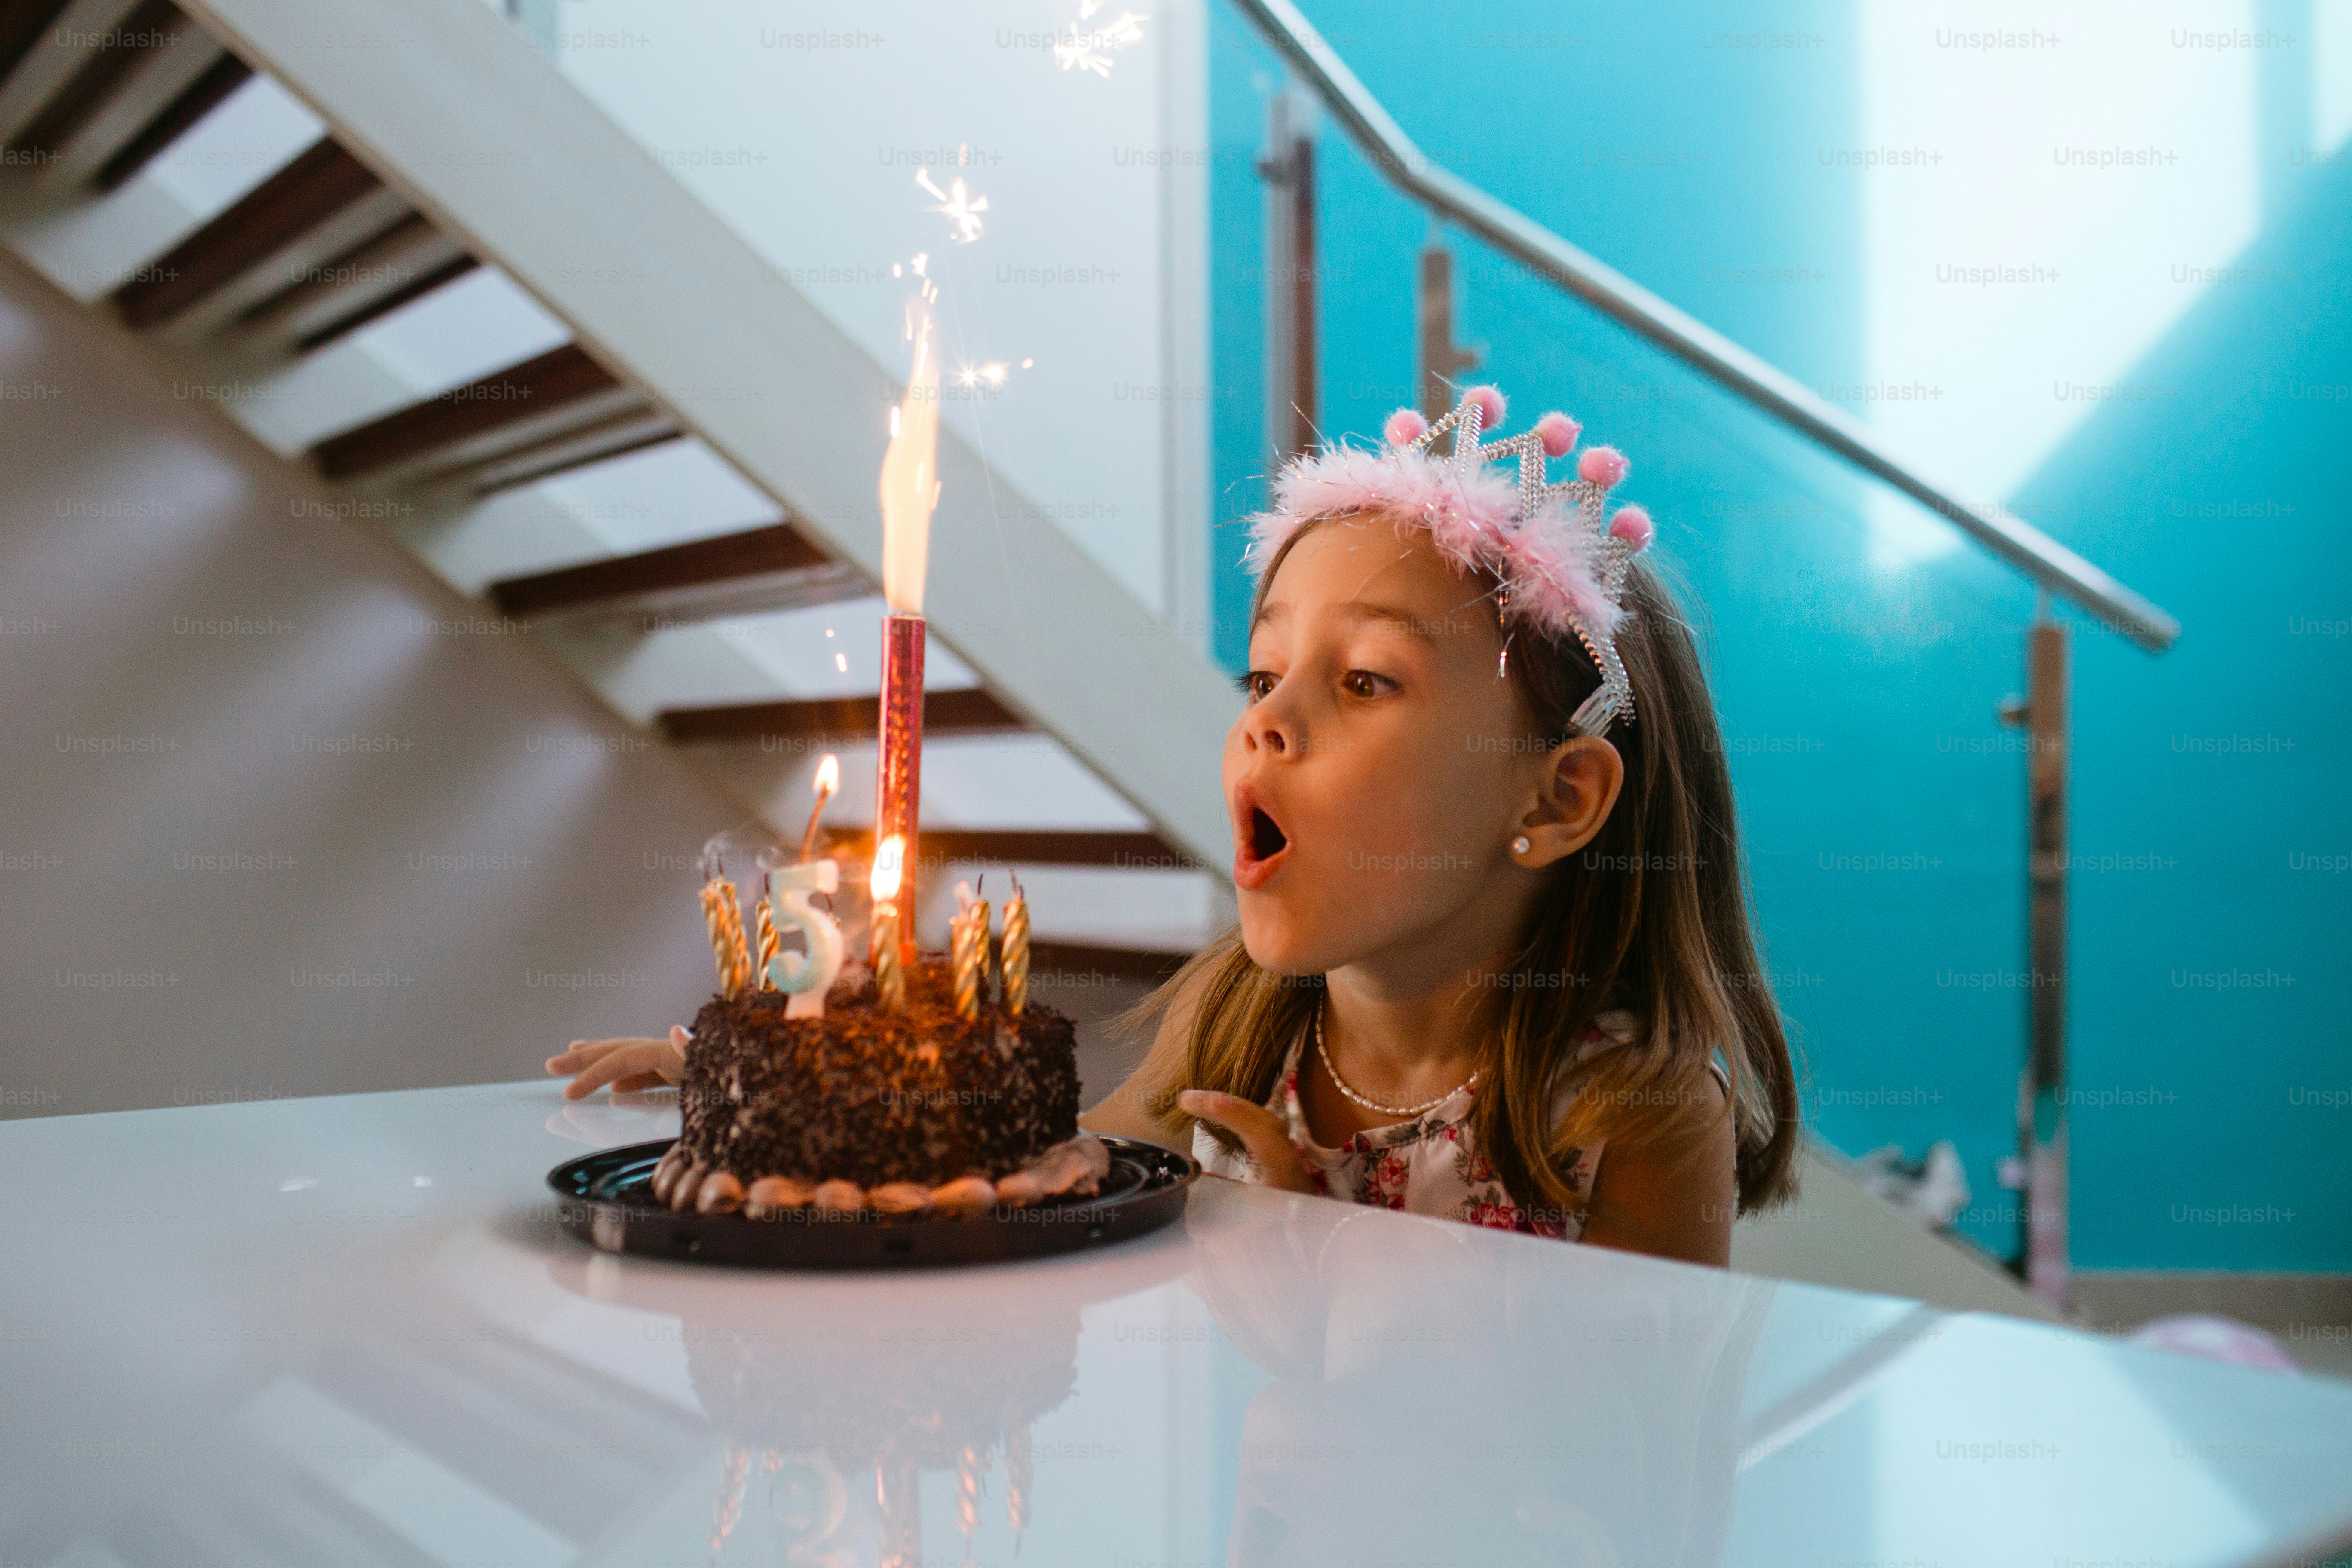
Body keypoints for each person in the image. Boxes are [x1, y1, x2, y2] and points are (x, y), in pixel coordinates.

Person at [1080, 385, 1799, 1265]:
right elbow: (1073, 1191)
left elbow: (1624, 1404)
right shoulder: (1228, 1020)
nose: (1265, 720)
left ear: (1557, 798)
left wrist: (1312, 1282)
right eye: (1263, 676)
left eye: (1366, 681)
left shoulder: (1637, 1113)